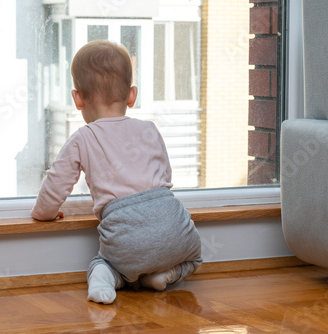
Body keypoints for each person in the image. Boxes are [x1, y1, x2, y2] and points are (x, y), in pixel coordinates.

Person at [31, 40, 202, 304]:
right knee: (195, 257)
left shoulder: (82, 137)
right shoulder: (149, 129)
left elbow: (57, 182)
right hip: (175, 227)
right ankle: (164, 275)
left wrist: (44, 213)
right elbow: (165, 178)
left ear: (77, 99)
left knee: (107, 263)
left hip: (125, 237)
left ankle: (105, 279)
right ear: (132, 95)